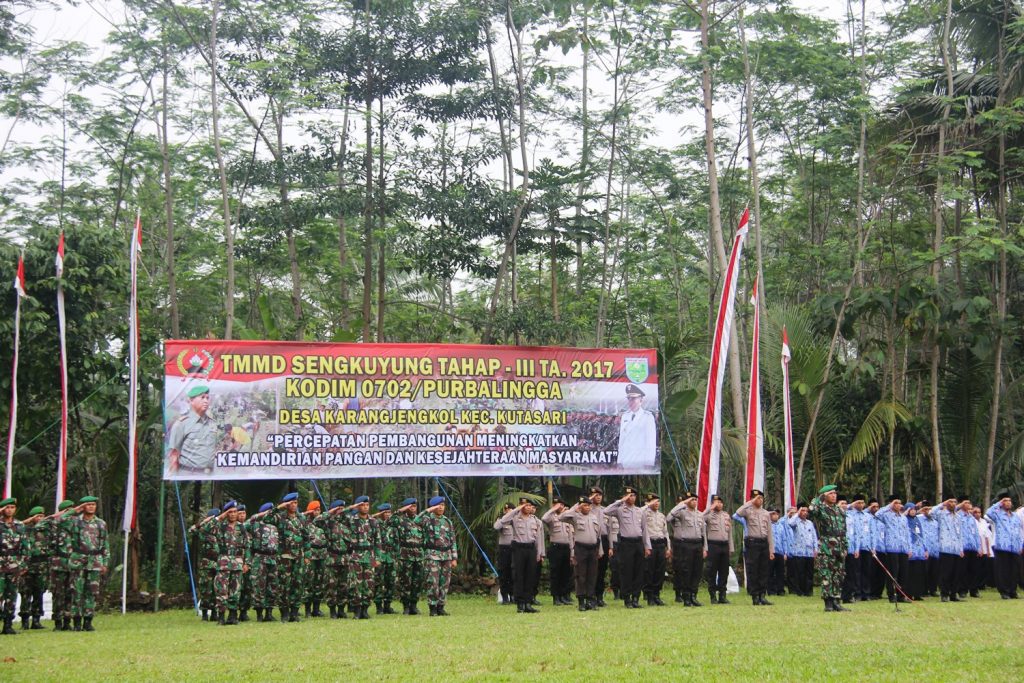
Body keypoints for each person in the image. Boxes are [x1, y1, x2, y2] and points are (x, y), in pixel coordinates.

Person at [497, 497, 545, 613]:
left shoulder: (535, 520)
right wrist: (516, 510)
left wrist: (539, 553)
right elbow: (500, 523)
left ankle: (528, 603)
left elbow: (538, 538)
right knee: (519, 576)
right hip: (519, 548)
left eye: (529, 506)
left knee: (530, 576)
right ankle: (520, 603)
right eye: (525, 505)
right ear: (520, 506)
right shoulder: (514, 518)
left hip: (531, 549)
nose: (527, 508)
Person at [69, 495, 109, 632]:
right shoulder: (75, 522)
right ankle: (77, 622)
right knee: (76, 592)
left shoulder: (100, 523)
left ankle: (88, 621)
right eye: (88, 504)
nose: (91, 507)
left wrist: (105, 562)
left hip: (95, 561)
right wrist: (75, 510)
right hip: (78, 560)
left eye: (93, 504)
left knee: (91, 593)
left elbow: (105, 544)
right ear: (83, 506)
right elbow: (60, 520)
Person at [603, 486, 647, 608]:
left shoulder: (639, 511)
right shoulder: (620, 510)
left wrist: (647, 546)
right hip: (626, 543)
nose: (631, 498)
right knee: (626, 571)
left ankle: (636, 598)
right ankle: (627, 599)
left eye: (633, 495)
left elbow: (644, 530)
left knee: (638, 572)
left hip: (638, 543)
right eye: (628, 496)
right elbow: (606, 511)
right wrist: (621, 501)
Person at [268, 492, 308, 622]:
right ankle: (284, 613)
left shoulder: (301, 518)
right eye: (291, 503)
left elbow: (306, 536)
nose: (294, 505)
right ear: (286, 504)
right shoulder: (279, 517)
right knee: (284, 585)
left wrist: (307, 554)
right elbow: (265, 519)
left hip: (299, 556)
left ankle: (294, 613)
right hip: (284, 556)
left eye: (296, 503)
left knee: (298, 584)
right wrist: (278, 507)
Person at [808, 485, 848, 612]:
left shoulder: (840, 510)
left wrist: (845, 546)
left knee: (838, 575)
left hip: (839, 546)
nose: (834, 496)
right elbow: (811, 510)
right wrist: (818, 498)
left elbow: (844, 530)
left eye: (835, 493)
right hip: (826, 547)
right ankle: (828, 602)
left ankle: (837, 601)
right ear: (825, 496)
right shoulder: (821, 509)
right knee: (826, 575)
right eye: (831, 493)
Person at [559, 496, 603, 611]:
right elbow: (561, 517)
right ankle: (581, 601)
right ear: (580, 506)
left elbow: (598, 535)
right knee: (580, 575)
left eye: (588, 505)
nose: (587, 507)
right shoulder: (575, 517)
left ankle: (590, 600)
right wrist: (575, 508)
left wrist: (600, 549)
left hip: (593, 549)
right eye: (584, 505)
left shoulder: (594, 517)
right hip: (581, 549)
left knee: (592, 575)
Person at [417, 496, 458, 616]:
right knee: (433, 582)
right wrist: (429, 510)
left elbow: (453, 540)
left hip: (446, 555)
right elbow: (416, 520)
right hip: (433, 555)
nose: (441, 508)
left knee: (444, 582)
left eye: (443, 505)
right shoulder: (427, 519)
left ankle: (441, 607)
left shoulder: (447, 521)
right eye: (438, 506)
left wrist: (454, 557)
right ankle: (432, 607)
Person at [735, 489, 775, 606]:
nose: (760, 500)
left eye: (761, 498)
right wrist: (750, 502)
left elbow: (769, 532)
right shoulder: (748, 511)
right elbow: (737, 513)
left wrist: (771, 550)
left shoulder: (766, 513)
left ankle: (762, 595)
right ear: (752, 499)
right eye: (757, 498)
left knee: (764, 570)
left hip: (763, 543)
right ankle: (755, 596)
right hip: (752, 543)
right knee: (753, 570)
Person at [167, 385, 219, 474]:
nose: (206, 401)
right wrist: (173, 477)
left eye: (207, 398)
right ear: (191, 400)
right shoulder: (181, 424)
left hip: (209, 475)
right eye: (202, 397)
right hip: (188, 474)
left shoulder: (212, 423)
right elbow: (174, 455)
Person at [666, 492, 706, 606]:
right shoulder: (682, 513)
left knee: (696, 571)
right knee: (686, 571)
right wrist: (682, 503)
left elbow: (703, 533)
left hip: (698, 544)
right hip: (686, 545)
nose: (694, 501)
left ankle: (694, 595)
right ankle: (686, 596)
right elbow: (668, 517)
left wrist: (705, 548)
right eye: (691, 500)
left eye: (695, 499)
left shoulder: (699, 514)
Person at [214, 500, 249, 625]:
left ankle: (233, 616)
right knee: (222, 590)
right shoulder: (221, 526)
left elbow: (247, 546)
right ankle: (221, 616)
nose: (233, 514)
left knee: (235, 590)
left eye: (235, 512)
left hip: (238, 562)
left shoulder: (242, 528)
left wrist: (246, 563)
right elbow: (207, 528)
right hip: (224, 561)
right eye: (230, 512)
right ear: (227, 514)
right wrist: (221, 516)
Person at [345, 495, 380, 619]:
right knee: (356, 585)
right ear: (358, 506)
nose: (365, 507)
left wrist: (378, 557)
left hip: (369, 556)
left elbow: (378, 541)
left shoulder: (373, 521)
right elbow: (337, 515)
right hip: (356, 556)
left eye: (367, 505)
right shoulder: (351, 519)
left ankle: (365, 609)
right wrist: (351, 507)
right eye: (362, 505)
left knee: (369, 584)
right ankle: (357, 610)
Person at [246, 502, 280, 622]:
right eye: (269, 512)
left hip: (273, 558)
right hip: (260, 558)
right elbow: (248, 522)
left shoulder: (275, 525)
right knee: (258, 586)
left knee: (273, 586)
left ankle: (269, 613)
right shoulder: (255, 525)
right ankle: (259, 614)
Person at [986, 494, 1023, 599]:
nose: (1008, 502)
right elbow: (988, 512)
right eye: (1005, 501)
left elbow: (1018, 531)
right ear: (1002, 503)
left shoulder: (1015, 516)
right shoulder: (998, 514)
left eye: (1009, 501)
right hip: (1002, 545)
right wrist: (998, 503)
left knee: (1014, 570)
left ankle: (1013, 590)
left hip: (1014, 546)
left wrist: (1020, 545)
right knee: (1003, 570)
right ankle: (1004, 591)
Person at [875, 495, 911, 603]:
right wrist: (889, 506)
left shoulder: (903, 517)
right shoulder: (886, 515)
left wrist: (909, 548)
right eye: (896, 503)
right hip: (892, 547)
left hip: (903, 548)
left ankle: (901, 595)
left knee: (903, 573)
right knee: (892, 573)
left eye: (899, 503)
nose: (898, 505)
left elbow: (907, 533)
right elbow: (877, 514)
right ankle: (892, 595)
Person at [0, 497, 27, 635]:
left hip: (14, 565)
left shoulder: (20, 525)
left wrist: (22, 564)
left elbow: (25, 547)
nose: (10, 510)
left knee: (12, 595)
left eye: (12, 507)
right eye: (7, 507)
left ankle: (8, 625)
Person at [392, 498, 424, 615]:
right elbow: (389, 521)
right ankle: (406, 606)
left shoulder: (420, 520)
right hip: (405, 555)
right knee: (405, 581)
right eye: (410, 506)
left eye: (414, 506)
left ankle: (414, 605)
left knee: (417, 581)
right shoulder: (400, 520)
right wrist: (400, 511)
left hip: (419, 555)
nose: (413, 508)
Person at [18, 506, 48, 630]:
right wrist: (29, 520)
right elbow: (16, 524)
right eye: (38, 516)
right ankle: (25, 620)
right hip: (27, 565)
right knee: (25, 593)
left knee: (39, 593)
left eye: (42, 516)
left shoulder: (47, 531)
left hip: (42, 566)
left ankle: (36, 620)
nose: (40, 519)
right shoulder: (25, 530)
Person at [189, 507, 222, 621]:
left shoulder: (221, 531)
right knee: (205, 589)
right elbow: (192, 530)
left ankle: (214, 612)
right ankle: (204, 612)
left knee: (216, 588)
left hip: (218, 563)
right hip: (206, 563)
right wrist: (204, 521)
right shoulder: (203, 531)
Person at [49, 500, 77, 631]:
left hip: (72, 564)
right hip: (58, 565)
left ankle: (67, 620)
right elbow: (43, 522)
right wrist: (62, 514)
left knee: (70, 593)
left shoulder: (76, 525)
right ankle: (58, 622)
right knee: (58, 594)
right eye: (68, 511)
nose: (72, 514)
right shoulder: (55, 524)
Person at [930, 497, 964, 602]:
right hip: (945, 547)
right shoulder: (942, 514)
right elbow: (931, 512)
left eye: (955, 502)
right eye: (951, 502)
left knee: (956, 573)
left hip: (956, 548)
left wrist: (961, 548)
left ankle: (953, 594)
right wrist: (942, 504)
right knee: (946, 573)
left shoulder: (958, 517)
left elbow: (960, 534)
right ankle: (944, 594)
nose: (953, 504)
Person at [541, 498, 573, 606]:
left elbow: (570, 536)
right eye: (556, 504)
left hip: (566, 548)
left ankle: (563, 596)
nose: (559, 506)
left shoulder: (566, 517)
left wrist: (572, 551)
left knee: (565, 573)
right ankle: (556, 597)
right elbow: (544, 518)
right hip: (555, 548)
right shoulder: (551, 517)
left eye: (560, 504)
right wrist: (553, 509)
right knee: (556, 573)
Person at [703, 494, 734, 604]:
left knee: (724, 572)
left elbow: (729, 532)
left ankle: (722, 596)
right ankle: (712, 596)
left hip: (724, 545)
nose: (718, 504)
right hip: (713, 545)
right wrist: (709, 509)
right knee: (712, 571)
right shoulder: (708, 515)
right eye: (716, 502)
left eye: (720, 502)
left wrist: (731, 548)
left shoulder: (726, 515)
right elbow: (700, 518)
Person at [616, 384, 656, 470]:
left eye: (633, 399)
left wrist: (649, 462)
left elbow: (651, 441)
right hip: (626, 461)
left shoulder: (648, 417)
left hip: (641, 461)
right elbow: (622, 440)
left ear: (641, 400)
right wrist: (619, 460)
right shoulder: (625, 416)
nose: (631, 401)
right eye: (629, 399)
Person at [641, 493, 669, 606]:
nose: (656, 503)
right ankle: (649, 595)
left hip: (661, 544)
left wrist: (668, 547)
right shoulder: (644, 513)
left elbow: (665, 532)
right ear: (648, 502)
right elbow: (639, 511)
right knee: (649, 570)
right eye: (654, 501)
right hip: (650, 544)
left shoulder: (661, 516)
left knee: (660, 570)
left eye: (658, 501)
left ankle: (657, 594)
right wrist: (648, 505)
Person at [303, 500, 328, 617]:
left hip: (322, 555)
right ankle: (308, 609)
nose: (318, 512)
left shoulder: (323, 524)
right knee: (309, 581)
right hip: (311, 555)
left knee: (319, 582)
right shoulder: (305, 524)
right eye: (316, 510)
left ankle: (316, 609)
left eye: (319, 510)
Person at [786, 504, 817, 596]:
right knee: (800, 573)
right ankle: (800, 591)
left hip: (809, 552)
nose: (805, 513)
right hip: (799, 552)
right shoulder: (796, 522)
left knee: (809, 572)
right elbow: (790, 523)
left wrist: (815, 548)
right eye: (803, 511)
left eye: (806, 511)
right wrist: (797, 512)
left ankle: (808, 591)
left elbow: (814, 536)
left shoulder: (810, 523)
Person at [373, 503, 398, 615]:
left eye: (389, 512)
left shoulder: (393, 526)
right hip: (378, 556)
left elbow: (397, 541)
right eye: (385, 513)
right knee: (378, 581)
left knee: (391, 581)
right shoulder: (375, 523)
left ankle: (387, 605)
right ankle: (379, 606)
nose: (388, 515)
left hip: (391, 556)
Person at [588, 487, 610, 607]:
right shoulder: (586, 509)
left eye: (600, 495)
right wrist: (588, 500)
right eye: (595, 495)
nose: (598, 497)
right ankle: (591, 596)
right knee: (592, 571)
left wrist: (611, 546)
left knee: (602, 570)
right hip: (592, 540)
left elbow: (610, 529)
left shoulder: (605, 510)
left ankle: (600, 596)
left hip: (605, 540)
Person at [957, 497, 982, 598]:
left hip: (972, 547)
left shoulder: (971, 518)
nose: (968, 505)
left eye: (969, 503)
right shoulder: (957, 515)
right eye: (966, 503)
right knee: (963, 570)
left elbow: (976, 533)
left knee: (974, 570)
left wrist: (979, 547)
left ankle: (973, 589)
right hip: (963, 546)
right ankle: (962, 590)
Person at [841, 495, 864, 603]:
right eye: (842, 503)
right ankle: (837, 594)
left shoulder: (850, 516)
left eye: (846, 503)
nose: (844, 506)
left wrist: (857, 549)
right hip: (840, 549)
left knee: (851, 573)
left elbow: (856, 533)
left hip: (851, 549)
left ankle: (848, 595)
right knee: (840, 573)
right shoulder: (835, 514)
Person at [917, 500, 940, 597]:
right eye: (925, 509)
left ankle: (933, 589)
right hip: (924, 549)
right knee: (924, 571)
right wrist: (920, 511)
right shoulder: (919, 519)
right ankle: (924, 590)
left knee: (934, 571)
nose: (927, 511)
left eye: (929, 509)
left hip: (935, 549)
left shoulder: (935, 522)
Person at [494, 502, 515, 605]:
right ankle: (505, 596)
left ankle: (513, 595)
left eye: (510, 509)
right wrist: (505, 517)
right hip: (504, 550)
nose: (508, 511)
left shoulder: (516, 521)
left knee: (513, 573)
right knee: (504, 573)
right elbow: (496, 527)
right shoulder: (502, 520)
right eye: (506, 510)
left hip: (515, 549)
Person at [906, 504, 928, 601]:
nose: (913, 511)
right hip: (911, 550)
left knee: (919, 573)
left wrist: (925, 549)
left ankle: (918, 593)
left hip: (919, 550)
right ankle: (909, 594)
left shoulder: (917, 520)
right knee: (910, 574)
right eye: (911, 509)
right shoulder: (904, 520)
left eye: (914, 509)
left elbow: (922, 535)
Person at [235, 504, 251, 621]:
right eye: (240, 513)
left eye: (244, 513)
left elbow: (248, 548)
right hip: (234, 562)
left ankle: (244, 611)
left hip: (246, 562)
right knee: (235, 587)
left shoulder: (247, 528)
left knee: (247, 587)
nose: (242, 516)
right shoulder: (232, 528)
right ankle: (233, 611)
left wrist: (247, 563)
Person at [769, 509, 789, 597]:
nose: (775, 516)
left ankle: (780, 590)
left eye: (777, 514)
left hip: (780, 552)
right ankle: (771, 590)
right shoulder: (767, 525)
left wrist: (785, 552)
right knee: (770, 571)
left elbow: (784, 539)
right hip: (771, 552)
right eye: (773, 514)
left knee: (780, 572)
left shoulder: (781, 526)